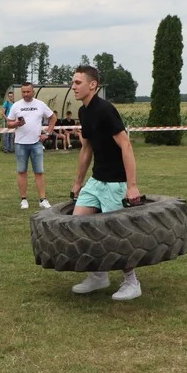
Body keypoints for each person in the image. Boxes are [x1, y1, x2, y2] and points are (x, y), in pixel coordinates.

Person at [68, 64, 143, 301]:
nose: (73, 87)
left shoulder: (105, 110)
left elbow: (126, 145)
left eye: (78, 82)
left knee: (116, 233)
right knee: (80, 223)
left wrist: (131, 185)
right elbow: (87, 148)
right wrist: (78, 181)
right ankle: (98, 275)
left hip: (115, 182)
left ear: (93, 85)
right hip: (97, 180)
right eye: (73, 82)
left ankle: (132, 282)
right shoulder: (83, 112)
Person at [6, 82, 55, 209]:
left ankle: (43, 199)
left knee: (39, 172)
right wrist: (17, 123)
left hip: (36, 143)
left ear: (33, 92)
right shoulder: (16, 106)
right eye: (23, 92)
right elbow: (9, 124)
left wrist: (48, 133)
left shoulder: (40, 104)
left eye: (28, 92)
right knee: (22, 171)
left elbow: (53, 117)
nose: (26, 94)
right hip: (20, 144)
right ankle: (24, 200)